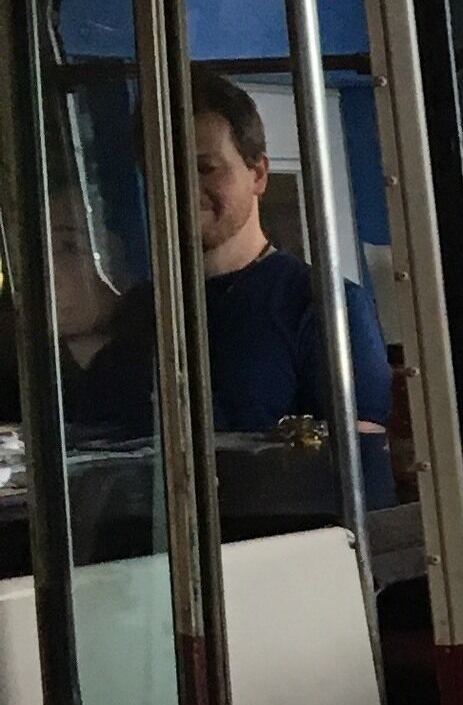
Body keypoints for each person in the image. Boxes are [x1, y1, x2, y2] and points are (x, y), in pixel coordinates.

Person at [64, 68, 392, 499]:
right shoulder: (136, 312)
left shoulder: (325, 305)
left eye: (206, 168)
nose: (183, 188)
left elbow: (364, 487)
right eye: (164, 170)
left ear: (258, 174)